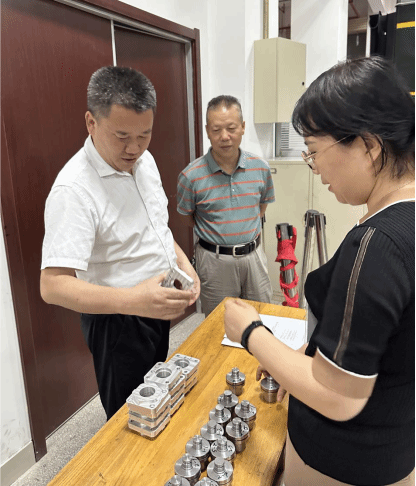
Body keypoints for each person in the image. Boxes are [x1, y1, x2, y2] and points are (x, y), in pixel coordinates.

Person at [224, 57, 415, 486]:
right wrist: (298, 360)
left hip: (342, 463)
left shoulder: (377, 245)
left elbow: (337, 394)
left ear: (368, 145)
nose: (316, 168)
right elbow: (378, 348)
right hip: (394, 449)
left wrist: (252, 333)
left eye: (314, 152)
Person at [40, 67, 200, 420]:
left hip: (155, 304)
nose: (135, 148)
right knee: (130, 419)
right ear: (91, 122)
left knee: (158, 399)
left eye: (145, 134)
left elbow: (155, 226)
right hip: (117, 320)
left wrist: (183, 264)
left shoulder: (145, 162)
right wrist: (134, 300)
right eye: (122, 135)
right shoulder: (73, 190)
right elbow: (52, 286)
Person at [177, 95, 275, 316]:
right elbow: (187, 217)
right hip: (214, 261)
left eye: (231, 128)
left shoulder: (260, 168)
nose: (224, 136)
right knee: (219, 323)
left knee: (262, 317)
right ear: (207, 130)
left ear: (242, 127)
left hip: (254, 257)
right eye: (216, 130)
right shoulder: (191, 176)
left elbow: (261, 208)